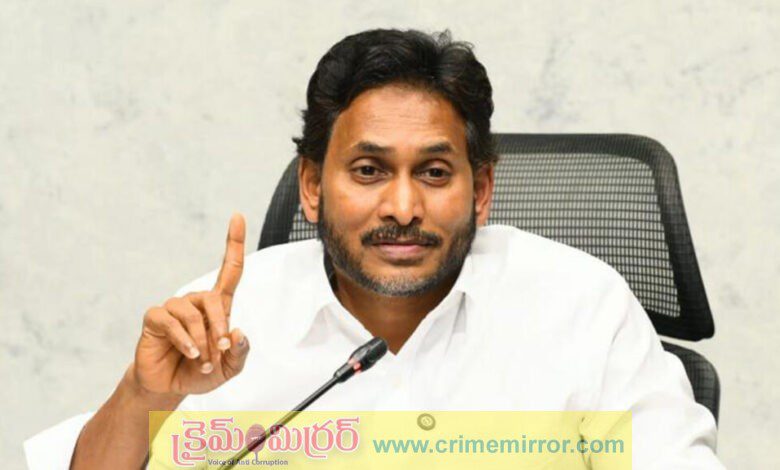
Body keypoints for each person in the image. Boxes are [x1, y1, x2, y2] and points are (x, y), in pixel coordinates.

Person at [24, 29, 724, 469]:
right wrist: (143, 396)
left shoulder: (582, 307)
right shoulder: (224, 320)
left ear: (481, 191)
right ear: (312, 186)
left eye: (435, 172)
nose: (402, 207)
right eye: (368, 170)